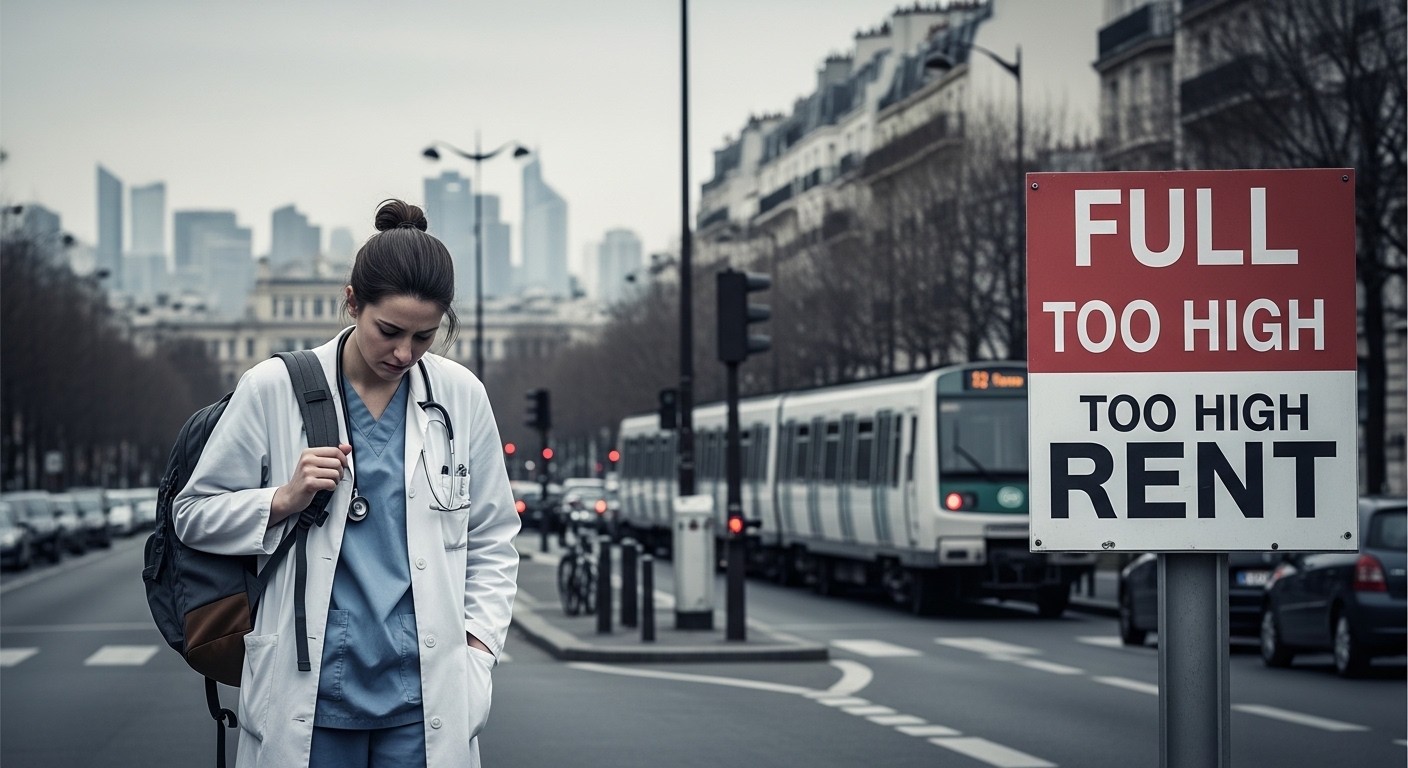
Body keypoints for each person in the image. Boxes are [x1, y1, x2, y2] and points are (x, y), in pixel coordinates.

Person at [174, 199, 520, 768]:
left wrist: (478, 651)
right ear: (352, 301)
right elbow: (193, 513)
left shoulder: (461, 396)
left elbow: (493, 536)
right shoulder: (272, 388)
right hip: (311, 692)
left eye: (425, 337)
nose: (404, 354)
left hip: (424, 697)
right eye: (389, 331)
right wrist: (281, 500)